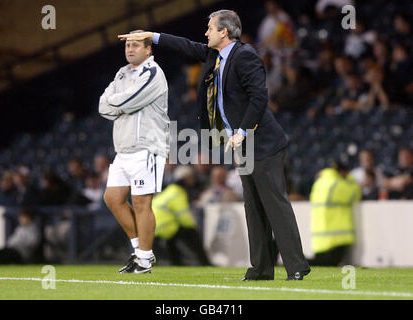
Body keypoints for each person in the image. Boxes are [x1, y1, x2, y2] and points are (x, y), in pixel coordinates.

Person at [118, 10, 310, 280]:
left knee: (275, 205)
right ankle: (261, 270)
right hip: (244, 147)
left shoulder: (245, 55)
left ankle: (296, 267)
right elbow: (186, 45)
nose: (206, 33)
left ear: (224, 31)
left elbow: (259, 97)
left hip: (263, 143)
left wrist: (243, 130)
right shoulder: (215, 56)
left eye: (210, 28)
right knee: (253, 208)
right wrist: (152, 36)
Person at [99, 30, 170, 274]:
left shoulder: (153, 73)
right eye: (128, 45)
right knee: (112, 199)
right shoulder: (122, 73)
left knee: (141, 203)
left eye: (136, 45)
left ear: (148, 49)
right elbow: (102, 105)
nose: (130, 49)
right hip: (124, 149)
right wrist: (121, 103)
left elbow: (127, 101)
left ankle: (144, 258)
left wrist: (118, 103)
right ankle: (140, 251)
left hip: (147, 147)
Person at [152, 165, 211, 266]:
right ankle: (205, 262)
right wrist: (194, 226)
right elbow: (183, 216)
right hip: (164, 226)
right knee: (191, 233)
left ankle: (176, 262)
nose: (193, 180)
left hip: (154, 227)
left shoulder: (169, 191)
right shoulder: (178, 193)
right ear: (186, 179)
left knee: (172, 238)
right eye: (192, 177)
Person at [309, 161, 361, 266]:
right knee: (325, 265)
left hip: (320, 240)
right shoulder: (337, 184)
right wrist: (350, 178)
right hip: (336, 240)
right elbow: (355, 194)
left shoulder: (318, 183)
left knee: (319, 265)